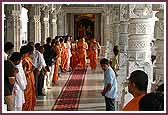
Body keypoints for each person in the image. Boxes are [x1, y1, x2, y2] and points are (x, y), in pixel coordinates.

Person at [20, 45, 36, 111]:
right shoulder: (24, 60)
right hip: (27, 80)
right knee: (27, 96)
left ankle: (30, 109)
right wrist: (32, 70)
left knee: (31, 96)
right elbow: (24, 72)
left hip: (30, 79)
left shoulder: (28, 59)